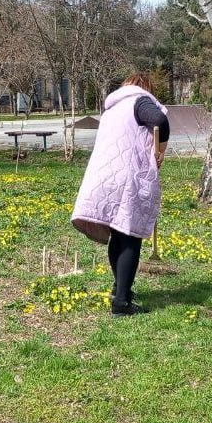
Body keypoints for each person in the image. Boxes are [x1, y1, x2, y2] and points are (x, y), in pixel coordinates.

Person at [71, 72, 169, 317]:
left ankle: (119, 290)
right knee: (130, 236)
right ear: (145, 87)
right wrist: (160, 152)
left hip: (103, 176)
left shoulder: (112, 108)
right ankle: (122, 303)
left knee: (118, 234)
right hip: (126, 178)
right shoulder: (140, 100)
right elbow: (160, 120)